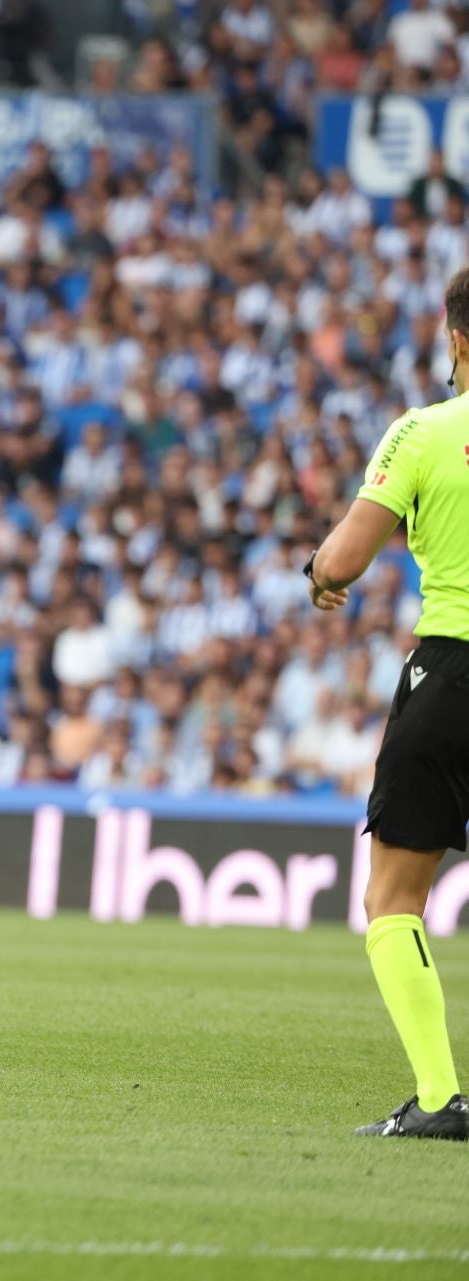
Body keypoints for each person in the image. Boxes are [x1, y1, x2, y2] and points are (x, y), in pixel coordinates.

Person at [305, 264, 469, 1141]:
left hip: (450, 676)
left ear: (456, 339)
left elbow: (341, 560)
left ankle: (442, 1099)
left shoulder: (420, 433)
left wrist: (320, 580)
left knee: (396, 898)